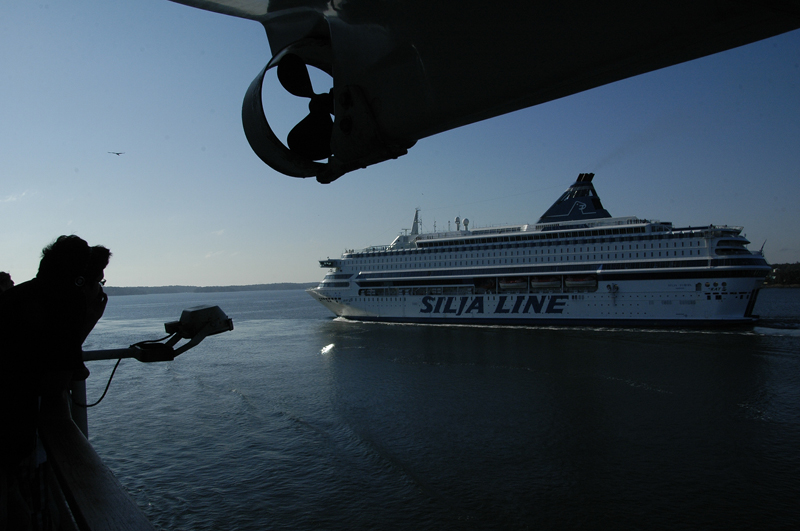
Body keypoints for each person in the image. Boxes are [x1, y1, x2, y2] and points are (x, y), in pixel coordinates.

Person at [0, 235, 110, 528]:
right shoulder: (64, 304)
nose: (99, 288)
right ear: (79, 281)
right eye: (98, 280)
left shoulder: (18, 296)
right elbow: (56, 381)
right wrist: (88, 317)